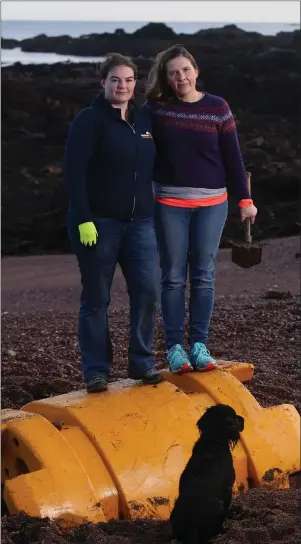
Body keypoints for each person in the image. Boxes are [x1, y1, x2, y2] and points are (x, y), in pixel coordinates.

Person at [144, 44, 257, 374]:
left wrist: (245, 200)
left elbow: (233, 159)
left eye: (185, 70)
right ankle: (175, 348)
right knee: (174, 278)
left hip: (212, 204)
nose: (181, 77)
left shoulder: (217, 108)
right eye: (173, 72)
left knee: (204, 276)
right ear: (166, 77)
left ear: (196, 70)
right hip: (168, 203)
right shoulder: (157, 109)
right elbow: (135, 143)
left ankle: (199, 345)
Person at [64, 53, 163, 393]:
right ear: (103, 82)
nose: (123, 86)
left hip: (141, 224)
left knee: (149, 291)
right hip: (99, 224)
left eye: (129, 80)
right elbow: (74, 175)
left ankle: (142, 362)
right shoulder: (89, 120)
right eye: (116, 80)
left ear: (136, 84)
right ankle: (96, 370)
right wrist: (85, 220)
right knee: (96, 298)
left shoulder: (144, 119)